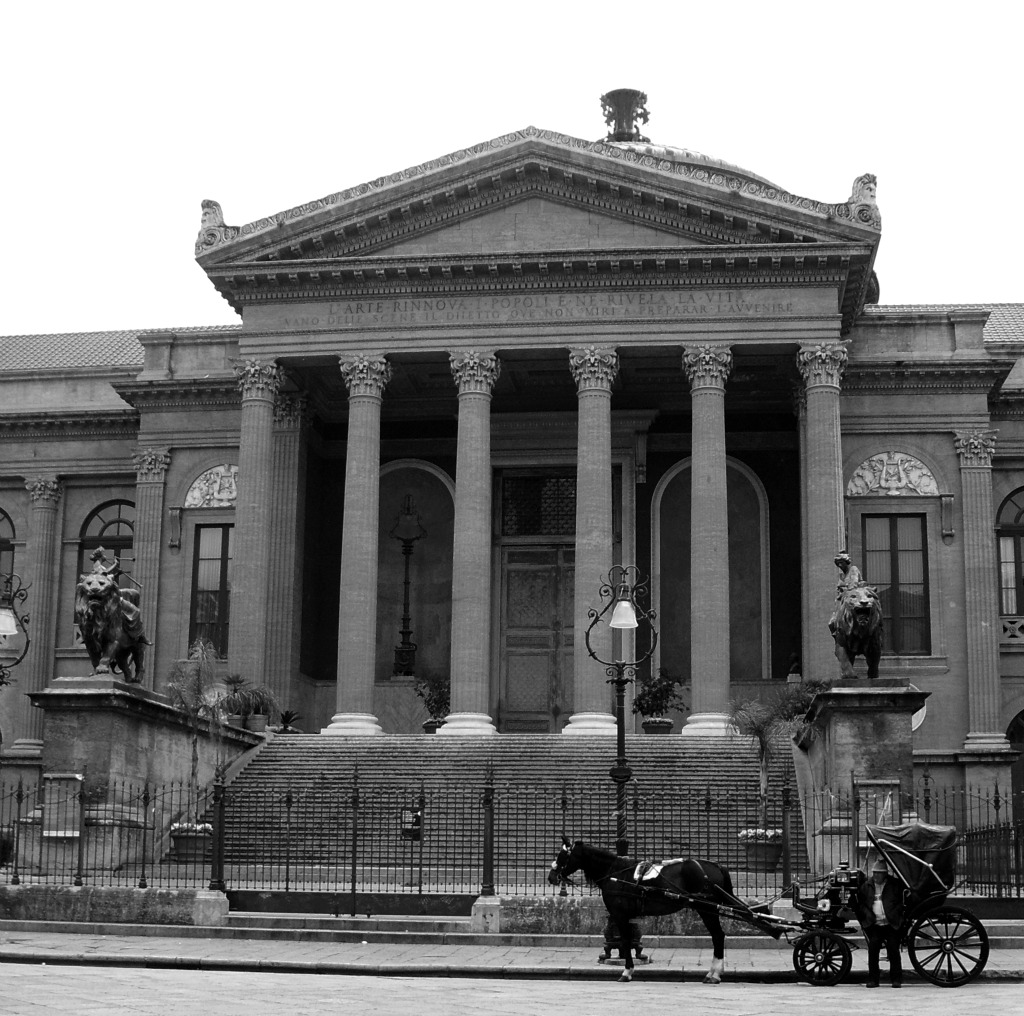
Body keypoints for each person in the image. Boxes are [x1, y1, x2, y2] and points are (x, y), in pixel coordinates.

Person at [854, 856, 905, 988]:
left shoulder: (894, 885)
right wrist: (867, 916)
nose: (876, 876)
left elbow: (902, 901)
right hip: (874, 924)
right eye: (874, 873)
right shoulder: (867, 886)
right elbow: (861, 904)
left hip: (891, 923)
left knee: (893, 948)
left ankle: (896, 979)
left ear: (885, 874)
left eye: (879, 873)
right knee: (873, 948)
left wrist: (896, 912)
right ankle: (873, 979)